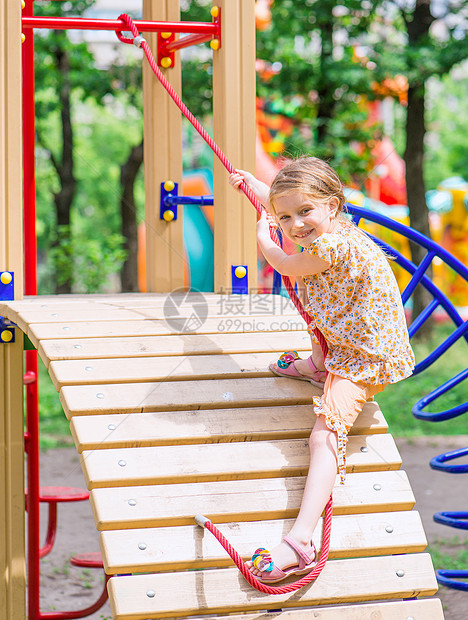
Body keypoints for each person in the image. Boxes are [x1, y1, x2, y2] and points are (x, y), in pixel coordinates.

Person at [229, 156, 415, 584]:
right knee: (318, 307)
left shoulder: (333, 247)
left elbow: (287, 266)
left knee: (323, 435)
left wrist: (266, 241)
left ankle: (300, 541)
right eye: (285, 216)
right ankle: (317, 363)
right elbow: (288, 205)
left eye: (305, 212)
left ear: (332, 206)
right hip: (343, 333)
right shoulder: (336, 229)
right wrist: (256, 186)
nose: (295, 225)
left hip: (363, 358)